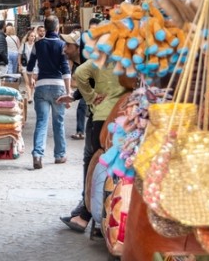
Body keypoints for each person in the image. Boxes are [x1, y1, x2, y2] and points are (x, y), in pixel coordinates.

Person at [56, 45, 132, 235]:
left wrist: (90, 98)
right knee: (115, 170)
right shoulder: (127, 59)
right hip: (123, 116)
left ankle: (88, 215)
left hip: (101, 117)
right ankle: (96, 217)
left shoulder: (101, 59)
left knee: (96, 166)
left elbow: (80, 72)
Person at [26, 16, 71, 169]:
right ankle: (59, 155)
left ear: (45, 28)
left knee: (41, 122)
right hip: (58, 87)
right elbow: (65, 69)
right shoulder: (62, 45)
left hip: (42, 87)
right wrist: (69, 92)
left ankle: (37, 155)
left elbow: (29, 66)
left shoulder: (38, 44)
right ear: (57, 28)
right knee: (58, 122)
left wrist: (31, 79)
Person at [72, 17, 102, 140]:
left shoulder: (103, 42)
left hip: (99, 80)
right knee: (83, 105)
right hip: (88, 76)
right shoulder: (84, 38)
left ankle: (89, 131)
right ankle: (80, 131)